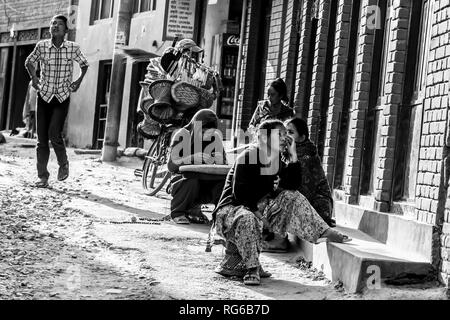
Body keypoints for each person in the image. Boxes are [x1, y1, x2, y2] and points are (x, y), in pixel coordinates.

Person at [213, 120, 350, 286]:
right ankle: (252, 269)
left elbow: (293, 185)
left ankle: (324, 231)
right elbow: (240, 195)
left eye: (286, 134)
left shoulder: (275, 160)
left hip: (257, 210)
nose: (285, 138)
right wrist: (260, 217)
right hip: (231, 212)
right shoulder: (248, 156)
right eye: (280, 134)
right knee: (247, 217)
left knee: (292, 196)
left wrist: (293, 155)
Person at [25, 15, 89, 188]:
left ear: (66, 30)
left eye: (59, 24)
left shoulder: (73, 48)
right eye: (53, 23)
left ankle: (63, 164)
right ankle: (42, 177)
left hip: (61, 97)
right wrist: (34, 76)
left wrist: (78, 81)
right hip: (44, 96)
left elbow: (84, 64)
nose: (55, 26)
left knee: (54, 133)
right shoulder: (42, 46)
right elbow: (29, 62)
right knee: (41, 139)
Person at [168, 109, 228, 225]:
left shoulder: (215, 138)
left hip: (205, 181)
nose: (207, 136)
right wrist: (191, 158)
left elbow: (224, 167)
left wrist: (220, 161)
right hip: (184, 182)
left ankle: (219, 215)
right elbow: (171, 166)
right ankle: (178, 212)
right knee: (192, 179)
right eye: (203, 131)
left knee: (224, 182)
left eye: (210, 132)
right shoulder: (183, 134)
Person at [286, 118, 336, 227]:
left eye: (290, 132)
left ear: (302, 137)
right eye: (284, 132)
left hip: (316, 204)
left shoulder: (307, 155)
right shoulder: (286, 150)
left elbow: (303, 188)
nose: (286, 135)